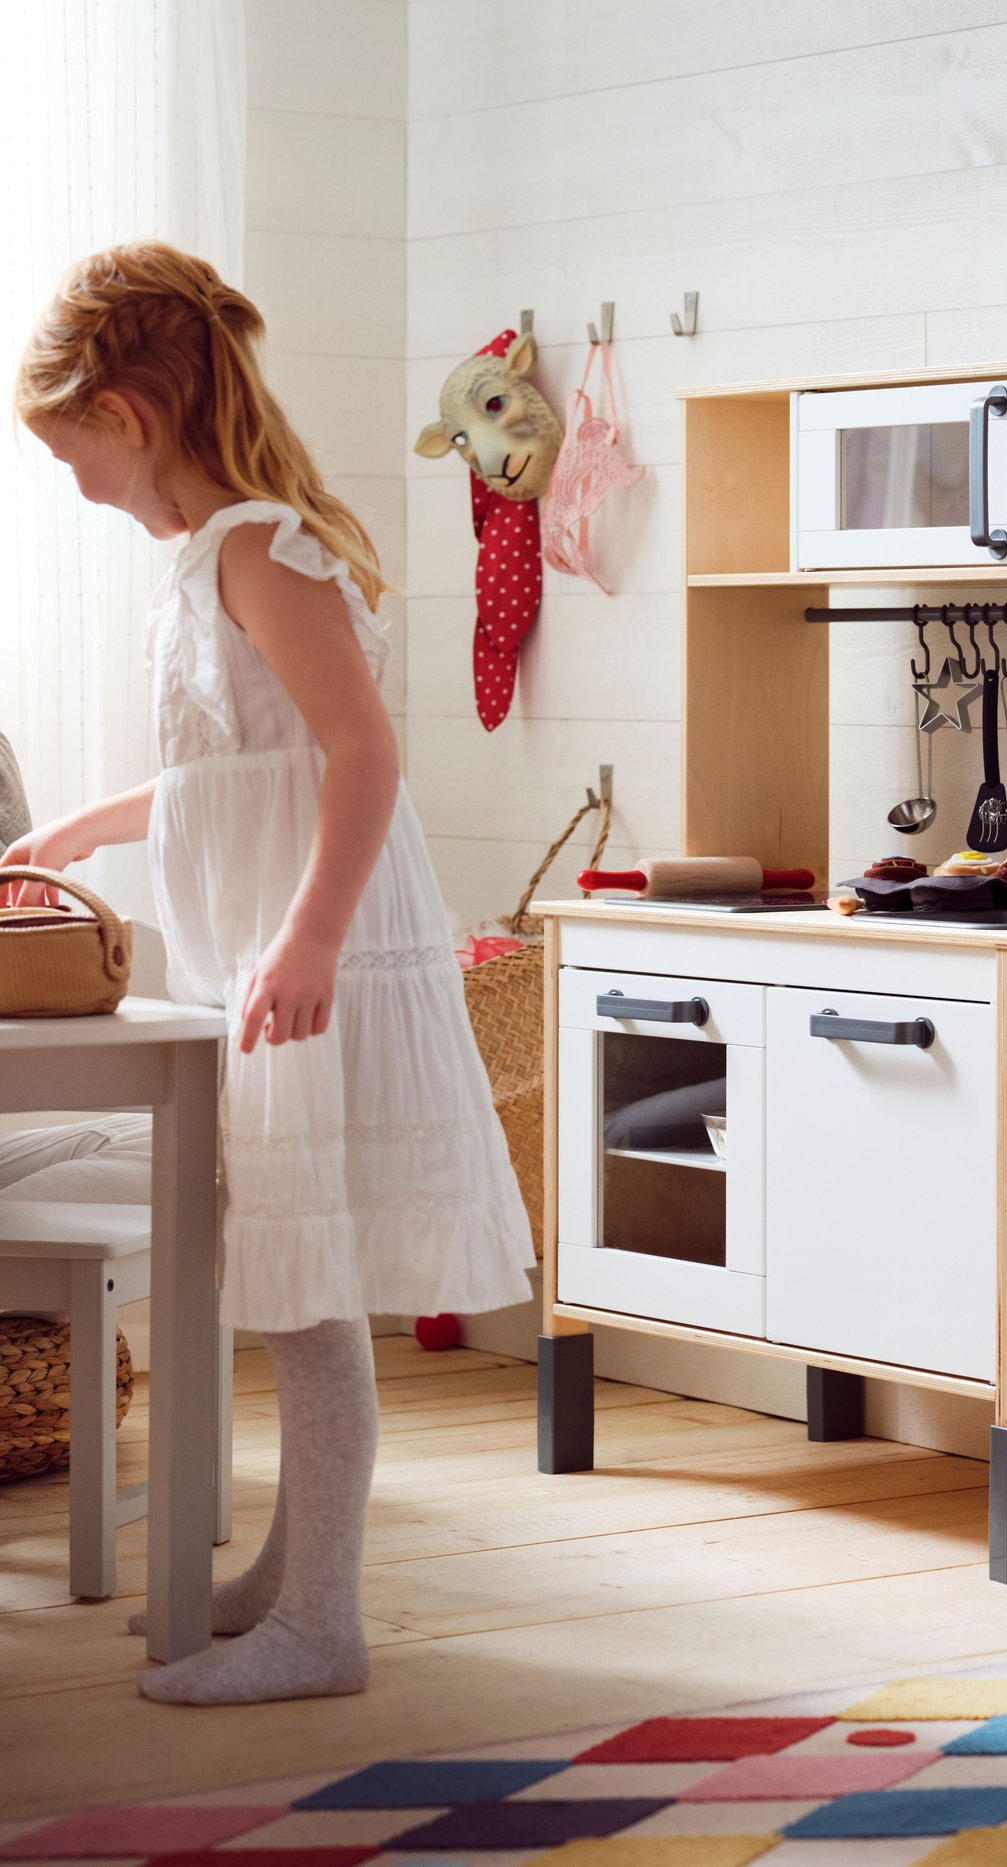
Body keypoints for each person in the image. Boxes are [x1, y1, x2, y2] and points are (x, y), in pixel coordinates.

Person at [7, 242, 536, 1705]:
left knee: (308, 1294)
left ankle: (323, 1627)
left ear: (125, 415)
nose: (72, 485)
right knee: (302, 1271)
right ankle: (291, 1580)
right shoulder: (216, 556)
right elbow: (241, 772)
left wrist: (308, 939)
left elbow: (361, 754)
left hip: (318, 955)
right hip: (283, 948)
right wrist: (83, 829)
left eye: (66, 453)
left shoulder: (259, 545)